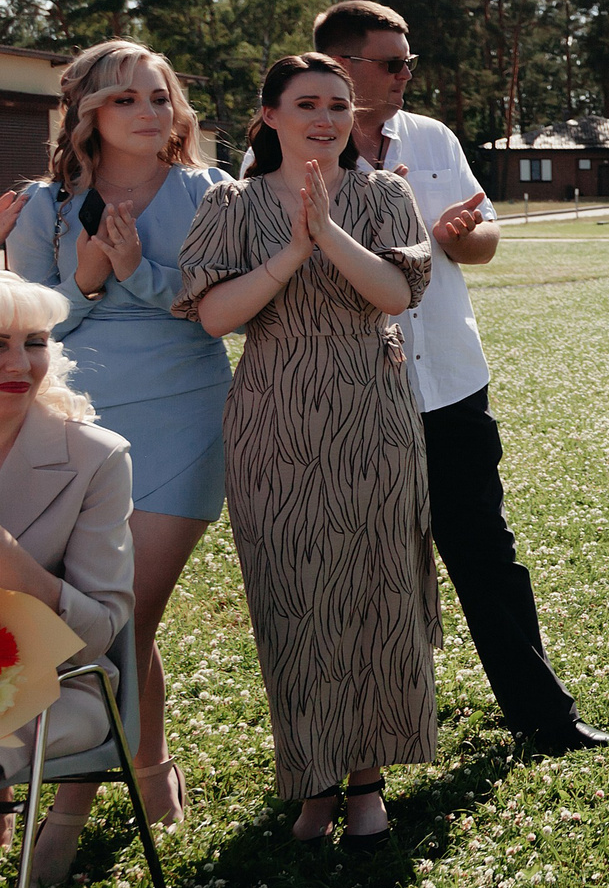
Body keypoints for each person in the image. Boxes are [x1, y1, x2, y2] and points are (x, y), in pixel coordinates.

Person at [311, 1, 609, 753]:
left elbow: (485, 240)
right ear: (343, 65)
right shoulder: (288, 150)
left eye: (409, 60)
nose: (408, 74)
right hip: (352, 393)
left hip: (448, 383)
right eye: (392, 62)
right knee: (358, 569)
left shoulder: (433, 137)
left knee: (487, 553)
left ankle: (545, 717)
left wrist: (460, 234)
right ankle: (364, 746)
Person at [0, 42, 231, 881]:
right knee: (97, 611)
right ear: (89, 116)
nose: (153, 112)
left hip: (184, 412)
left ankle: (68, 813)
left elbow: (215, 304)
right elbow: (33, 335)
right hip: (74, 421)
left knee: (115, 620)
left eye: (161, 96)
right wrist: (81, 279)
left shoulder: (206, 192)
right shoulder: (46, 205)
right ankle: (151, 774)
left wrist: (133, 272)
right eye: (128, 101)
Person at [177, 53, 435, 847]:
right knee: (292, 592)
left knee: (377, 586)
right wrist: (291, 250)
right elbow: (215, 314)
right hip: (275, 410)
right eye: (306, 104)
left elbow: (397, 293)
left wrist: (329, 233)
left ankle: (367, 780)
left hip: (373, 408)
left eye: (336, 104)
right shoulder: (232, 201)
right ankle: (312, 780)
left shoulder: (384, 193)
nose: (323, 118)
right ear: (271, 115)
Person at [0, 268, 135, 884]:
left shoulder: (96, 457)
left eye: (35, 343)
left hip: (54, 690)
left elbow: (98, 632)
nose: (21, 363)